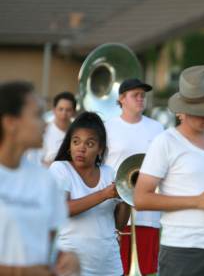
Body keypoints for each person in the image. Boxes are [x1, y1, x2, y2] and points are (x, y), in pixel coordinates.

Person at [134, 65, 204, 276]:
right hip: (182, 251)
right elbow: (141, 199)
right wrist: (198, 200)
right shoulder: (165, 142)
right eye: (201, 111)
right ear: (183, 110)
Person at [0, 81, 79, 276]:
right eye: (37, 115)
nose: (45, 123)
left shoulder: (45, 179)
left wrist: (66, 259)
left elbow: (49, 247)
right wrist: (20, 272)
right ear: (10, 122)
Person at [49, 111, 131, 276]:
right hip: (71, 267)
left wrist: (128, 195)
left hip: (109, 266)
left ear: (100, 149)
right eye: (76, 142)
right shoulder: (60, 169)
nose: (81, 148)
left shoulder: (110, 173)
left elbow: (120, 224)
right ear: (69, 145)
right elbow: (64, 210)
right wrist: (104, 194)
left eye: (90, 144)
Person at [104, 78, 164, 275]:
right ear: (122, 99)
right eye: (135, 95)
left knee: (145, 270)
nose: (140, 99)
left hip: (147, 210)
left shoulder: (157, 128)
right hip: (117, 207)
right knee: (117, 269)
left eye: (143, 95)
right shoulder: (107, 127)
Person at [26, 91, 77, 166]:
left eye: (68, 110)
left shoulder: (78, 132)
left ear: (74, 112)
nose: (64, 113)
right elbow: (32, 159)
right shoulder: (43, 130)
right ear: (54, 110)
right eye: (61, 109)